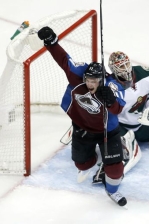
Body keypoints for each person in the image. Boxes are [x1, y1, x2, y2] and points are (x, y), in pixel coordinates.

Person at [37, 26, 127, 206]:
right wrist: (51, 42)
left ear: (101, 80)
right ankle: (101, 156)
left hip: (108, 132)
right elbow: (64, 60)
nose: (90, 83)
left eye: (94, 81)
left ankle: (112, 191)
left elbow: (118, 110)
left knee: (115, 169)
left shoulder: (112, 86)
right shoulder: (78, 75)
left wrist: (110, 101)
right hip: (82, 127)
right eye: (88, 80)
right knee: (82, 165)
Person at [93, 51, 149, 182]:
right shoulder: (110, 86)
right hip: (122, 127)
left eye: (126, 64)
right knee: (117, 145)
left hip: (143, 123)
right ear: (113, 70)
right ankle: (114, 164)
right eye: (121, 67)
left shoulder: (144, 72)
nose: (125, 69)